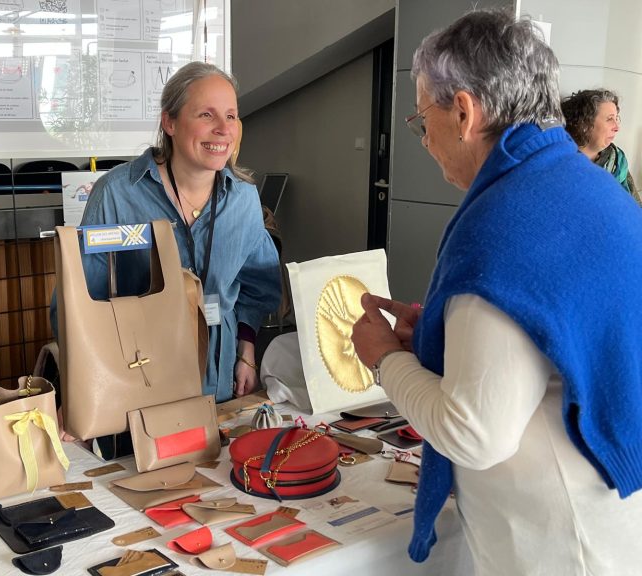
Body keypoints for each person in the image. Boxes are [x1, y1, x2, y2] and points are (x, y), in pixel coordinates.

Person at [351, 9, 642, 576]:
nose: (425, 140)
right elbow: (555, 338)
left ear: (463, 112)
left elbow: (473, 434)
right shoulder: (595, 188)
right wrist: (437, 338)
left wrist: (384, 359)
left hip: (557, 543)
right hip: (610, 514)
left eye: (422, 119)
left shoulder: (503, 223)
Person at [50, 62, 281, 455]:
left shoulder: (243, 199)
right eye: (206, 115)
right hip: (136, 385)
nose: (222, 129)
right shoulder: (117, 194)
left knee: (213, 479)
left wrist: (247, 354)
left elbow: (257, 285)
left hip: (219, 382)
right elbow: (75, 305)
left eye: (230, 116)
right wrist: (82, 388)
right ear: (170, 122)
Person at [561, 88, 640, 203]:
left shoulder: (617, 160)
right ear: (584, 124)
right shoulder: (561, 165)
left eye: (616, 118)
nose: (617, 127)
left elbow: (635, 204)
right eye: (610, 119)